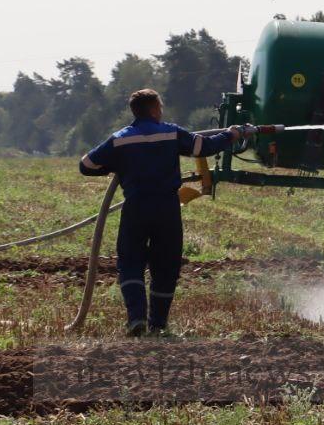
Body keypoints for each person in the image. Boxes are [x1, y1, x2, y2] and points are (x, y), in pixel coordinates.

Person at [79, 88, 240, 336]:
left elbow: (86, 165)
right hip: (167, 209)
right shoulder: (171, 133)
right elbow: (204, 147)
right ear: (154, 109)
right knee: (166, 265)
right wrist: (232, 134)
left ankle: (136, 318)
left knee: (130, 262)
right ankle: (158, 324)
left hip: (136, 208)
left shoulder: (120, 139)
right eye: (160, 107)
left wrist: (114, 166)